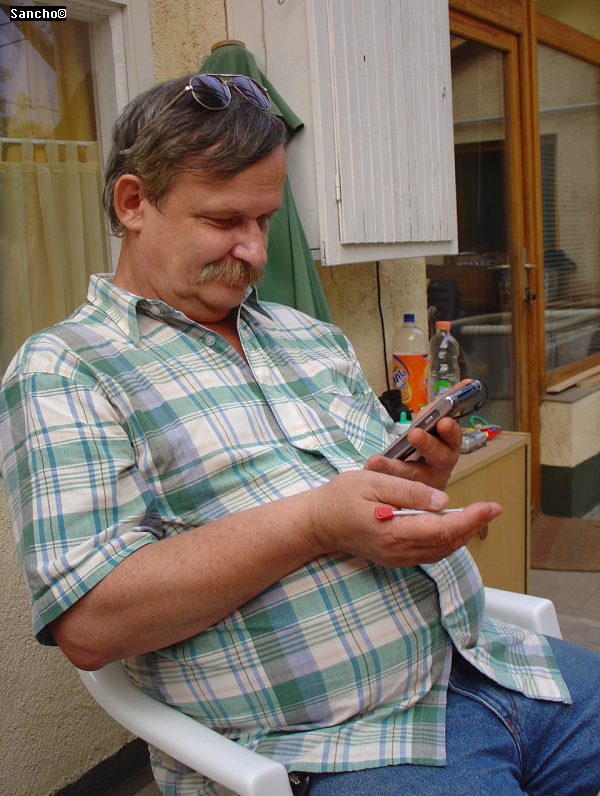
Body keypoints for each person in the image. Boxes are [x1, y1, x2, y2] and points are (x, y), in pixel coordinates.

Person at [0, 73, 598, 796]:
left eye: (266, 220)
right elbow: (91, 623)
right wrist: (316, 522)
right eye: (226, 220)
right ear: (134, 203)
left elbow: (370, 489)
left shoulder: (306, 336)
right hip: (339, 746)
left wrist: (414, 481)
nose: (255, 251)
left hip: (489, 662)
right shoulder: (66, 369)